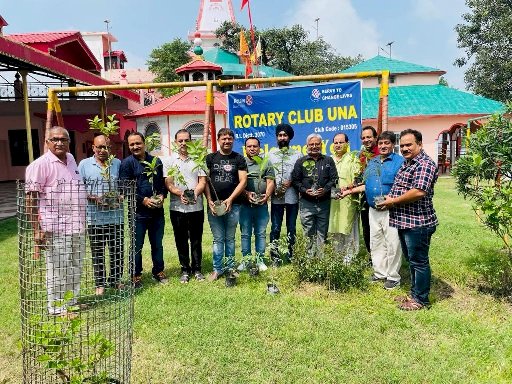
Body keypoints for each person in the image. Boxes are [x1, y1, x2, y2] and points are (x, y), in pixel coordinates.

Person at [25, 126, 87, 316]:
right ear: (47, 142)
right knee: (58, 268)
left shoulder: (71, 159)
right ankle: (57, 307)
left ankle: (72, 301)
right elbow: (30, 199)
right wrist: (37, 230)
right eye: (55, 139)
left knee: (76, 265)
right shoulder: (40, 165)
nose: (60, 142)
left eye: (64, 139)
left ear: (69, 142)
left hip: (77, 224)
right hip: (56, 227)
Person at [377, 129, 438, 310]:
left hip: (418, 222)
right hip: (405, 221)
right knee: (412, 260)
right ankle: (414, 294)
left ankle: (421, 300)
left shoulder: (424, 164)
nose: (404, 148)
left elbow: (419, 191)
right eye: (402, 145)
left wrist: (393, 201)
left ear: (419, 144)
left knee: (419, 262)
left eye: (408, 144)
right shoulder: (408, 163)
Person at [343, 131, 404, 289]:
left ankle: (393, 276)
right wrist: (349, 191)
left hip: (392, 209)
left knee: (392, 243)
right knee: (376, 241)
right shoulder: (373, 162)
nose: (383, 146)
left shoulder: (400, 162)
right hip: (373, 209)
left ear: (393, 144)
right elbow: (367, 185)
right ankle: (379, 273)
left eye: (387, 143)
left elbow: (403, 186)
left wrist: (392, 200)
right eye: (381, 143)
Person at [119, 132, 167, 288]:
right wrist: (143, 200)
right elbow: (125, 187)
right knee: (136, 246)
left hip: (156, 213)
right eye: (132, 144)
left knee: (157, 244)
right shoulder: (126, 163)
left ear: (144, 143)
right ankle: (136, 275)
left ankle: (158, 272)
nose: (135, 147)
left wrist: (161, 196)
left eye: (138, 143)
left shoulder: (155, 161)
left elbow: (161, 184)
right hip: (137, 213)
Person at [78, 134, 124, 296]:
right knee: (97, 252)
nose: (103, 150)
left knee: (116, 250)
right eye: (99, 147)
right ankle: (100, 283)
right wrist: (93, 198)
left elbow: (124, 186)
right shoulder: (84, 164)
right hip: (94, 217)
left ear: (111, 148)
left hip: (116, 217)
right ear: (93, 148)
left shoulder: (117, 163)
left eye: (106, 147)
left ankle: (116, 280)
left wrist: (121, 197)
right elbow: (78, 188)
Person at [163, 129, 206, 283]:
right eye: (180, 141)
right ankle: (185, 270)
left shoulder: (199, 159)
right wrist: (179, 193)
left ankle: (197, 269)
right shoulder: (169, 161)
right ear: (175, 143)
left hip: (196, 207)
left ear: (191, 141)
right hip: (177, 208)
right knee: (180, 239)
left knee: (196, 239)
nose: (183, 143)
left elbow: (202, 181)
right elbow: (169, 183)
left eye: (186, 140)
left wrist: (194, 193)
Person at [205, 128, 247, 280]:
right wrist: (209, 199)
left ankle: (229, 267)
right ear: (218, 140)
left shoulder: (238, 159)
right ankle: (217, 269)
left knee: (230, 238)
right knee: (218, 238)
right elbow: (205, 182)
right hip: (214, 206)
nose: (227, 141)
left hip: (233, 205)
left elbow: (243, 181)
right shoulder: (210, 158)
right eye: (224, 138)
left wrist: (230, 199)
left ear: (233, 140)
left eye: (230, 138)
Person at [291, 133, 337, 256]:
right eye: (312, 144)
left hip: (324, 202)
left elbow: (334, 178)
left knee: (322, 231)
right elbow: (295, 180)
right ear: (307, 146)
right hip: (307, 203)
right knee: (308, 231)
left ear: (321, 145)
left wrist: (325, 189)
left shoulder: (328, 160)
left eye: (317, 144)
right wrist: (305, 190)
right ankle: (310, 258)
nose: (314, 146)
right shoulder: (301, 162)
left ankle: (321, 259)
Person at [238, 137, 275, 271]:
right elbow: (238, 183)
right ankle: (246, 260)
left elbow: (270, 182)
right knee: (245, 233)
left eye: (255, 146)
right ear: (245, 148)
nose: (252, 149)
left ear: (260, 148)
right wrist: (246, 193)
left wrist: (267, 195)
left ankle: (260, 260)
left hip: (262, 204)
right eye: (249, 146)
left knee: (260, 233)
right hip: (245, 204)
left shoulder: (266, 162)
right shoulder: (241, 163)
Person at [268, 124, 302, 261]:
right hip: (276, 198)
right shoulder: (270, 154)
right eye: (280, 135)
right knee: (275, 228)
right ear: (276, 137)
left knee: (291, 228)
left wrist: (291, 181)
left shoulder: (297, 154)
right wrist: (273, 184)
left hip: (292, 198)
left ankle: (291, 254)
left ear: (290, 137)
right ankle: (274, 255)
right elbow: (266, 174)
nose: (282, 138)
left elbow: (301, 175)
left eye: (285, 135)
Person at [328, 133, 360, 261]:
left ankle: (349, 256)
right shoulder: (329, 159)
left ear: (347, 143)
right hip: (333, 200)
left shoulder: (353, 158)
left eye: (341, 142)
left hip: (348, 199)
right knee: (335, 226)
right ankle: (337, 255)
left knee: (348, 227)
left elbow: (358, 179)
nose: (338, 145)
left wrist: (348, 188)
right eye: (336, 142)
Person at [358, 125, 379, 253]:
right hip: (364, 195)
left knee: (378, 227)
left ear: (375, 137)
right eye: (364, 138)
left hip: (378, 195)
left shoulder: (381, 153)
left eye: (369, 137)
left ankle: (382, 255)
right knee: (366, 226)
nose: (366, 140)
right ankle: (371, 255)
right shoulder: (361, 155)